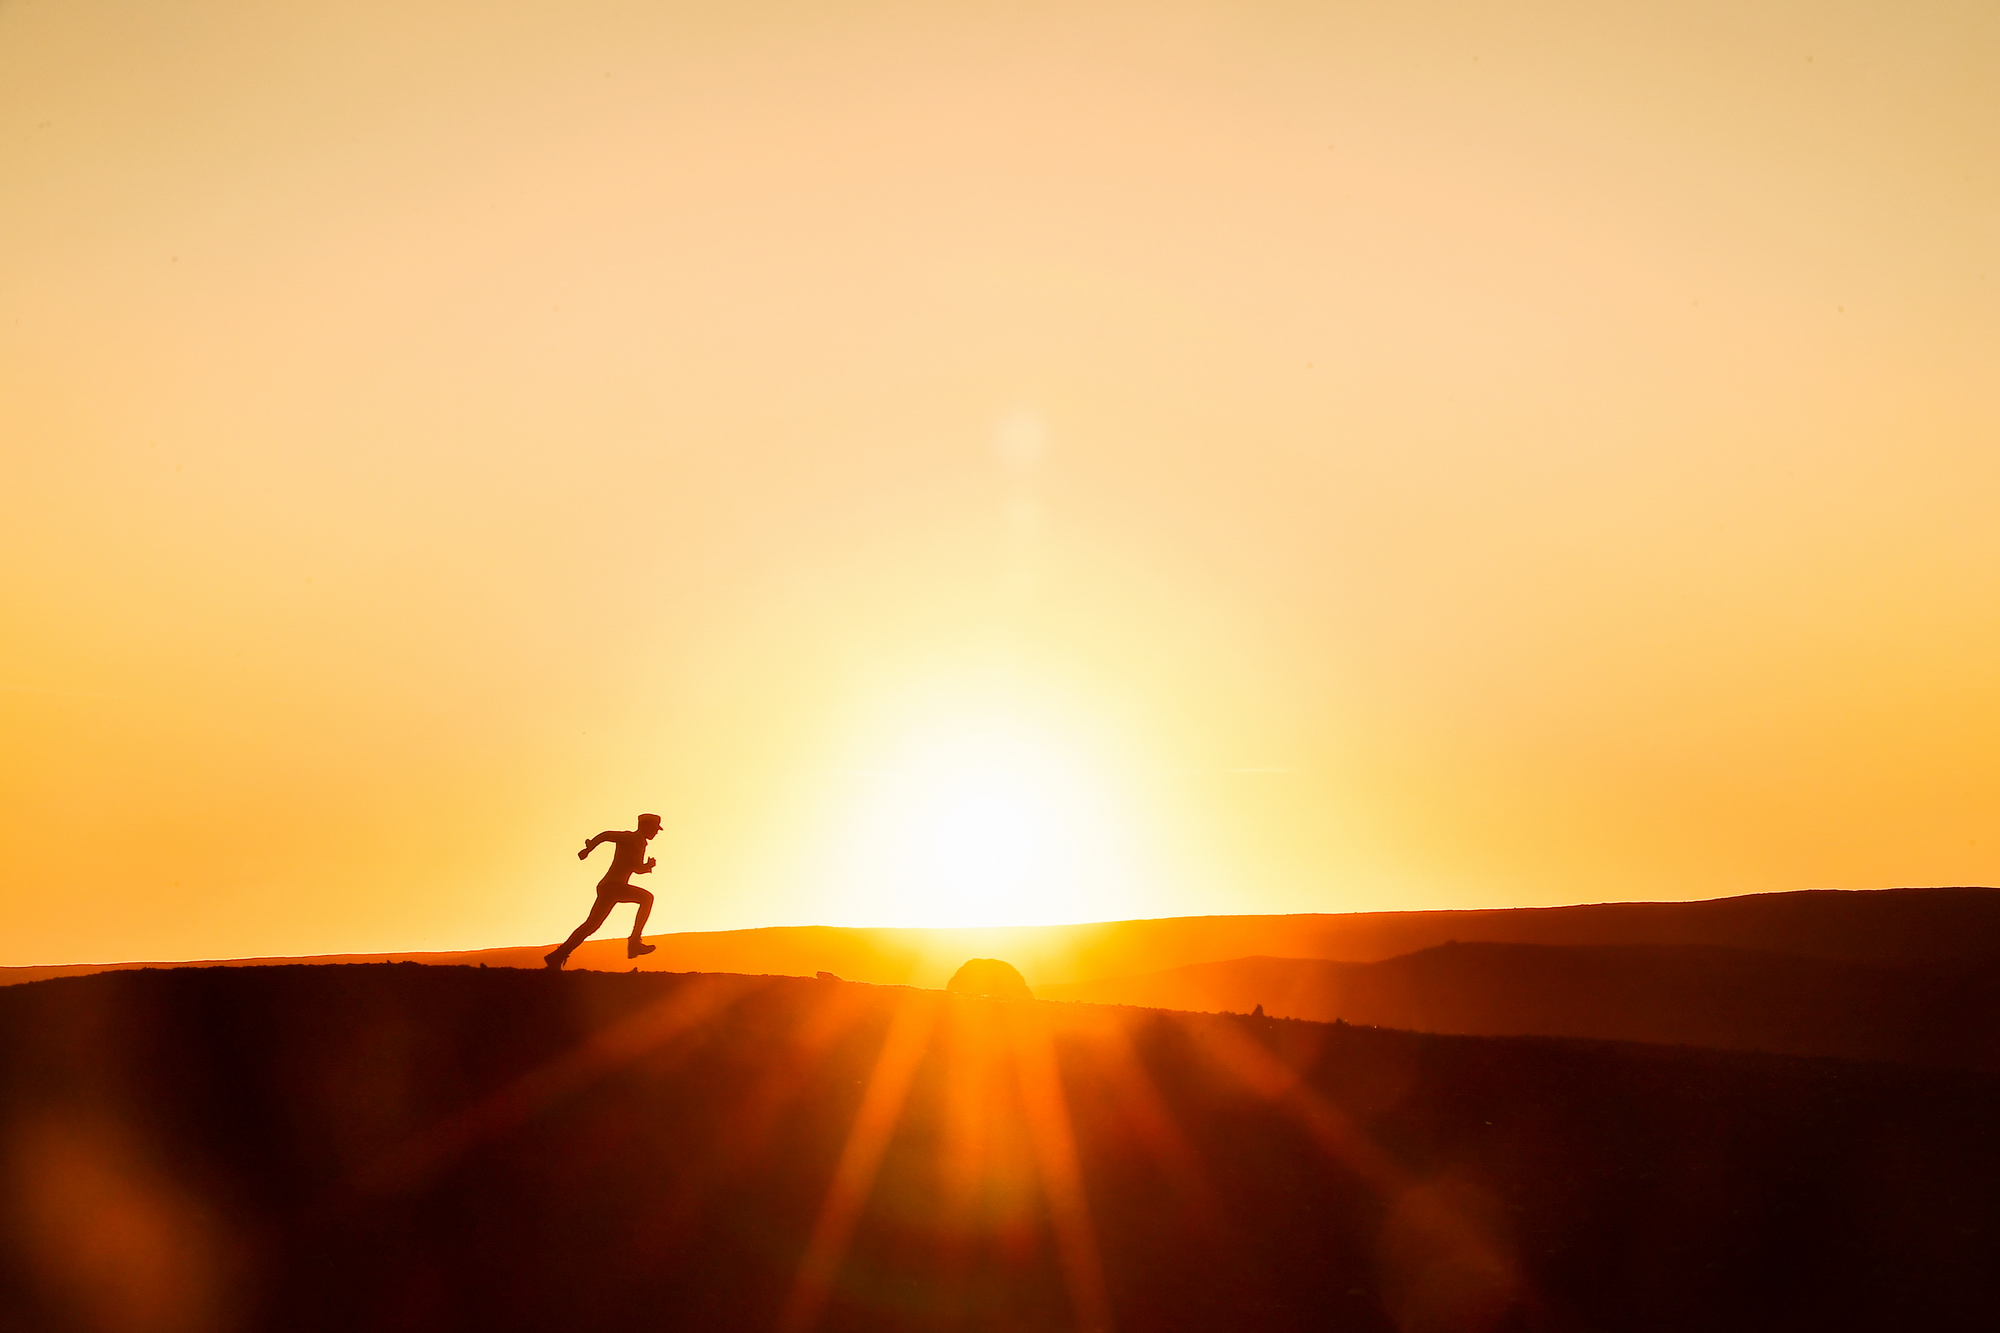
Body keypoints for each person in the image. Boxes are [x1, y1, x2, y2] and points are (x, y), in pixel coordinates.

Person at [544, 813, 663, 969]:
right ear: (645, 826)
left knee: (591, 926)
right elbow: (606, 835)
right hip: (613, 886)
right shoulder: (630, 837)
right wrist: (589, 848)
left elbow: (635, 867)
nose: (656, 832)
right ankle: (635, 942)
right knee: (647, 898)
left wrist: (647, 866)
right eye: (654, 829)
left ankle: (557, 956)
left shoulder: (641, 843)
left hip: (610, 887)